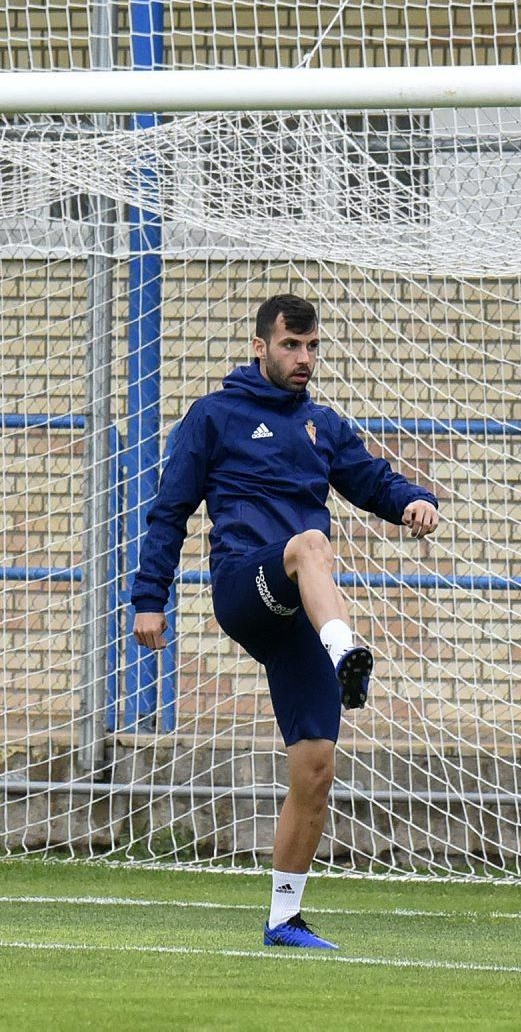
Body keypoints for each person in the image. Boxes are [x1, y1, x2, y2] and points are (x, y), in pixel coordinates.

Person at [131, 293, 439, 950]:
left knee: (316, 764)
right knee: (309, 544)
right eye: (291, 345)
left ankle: (284, 918)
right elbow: (169, 510)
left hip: (301, 610)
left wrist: (414, 500)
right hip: (245, 584)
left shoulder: (321, 424)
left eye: (312, 347)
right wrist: (149, 597)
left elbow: (373, 480)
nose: (304, 358)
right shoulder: (214, 417)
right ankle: (346, 650)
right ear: (260, 345)